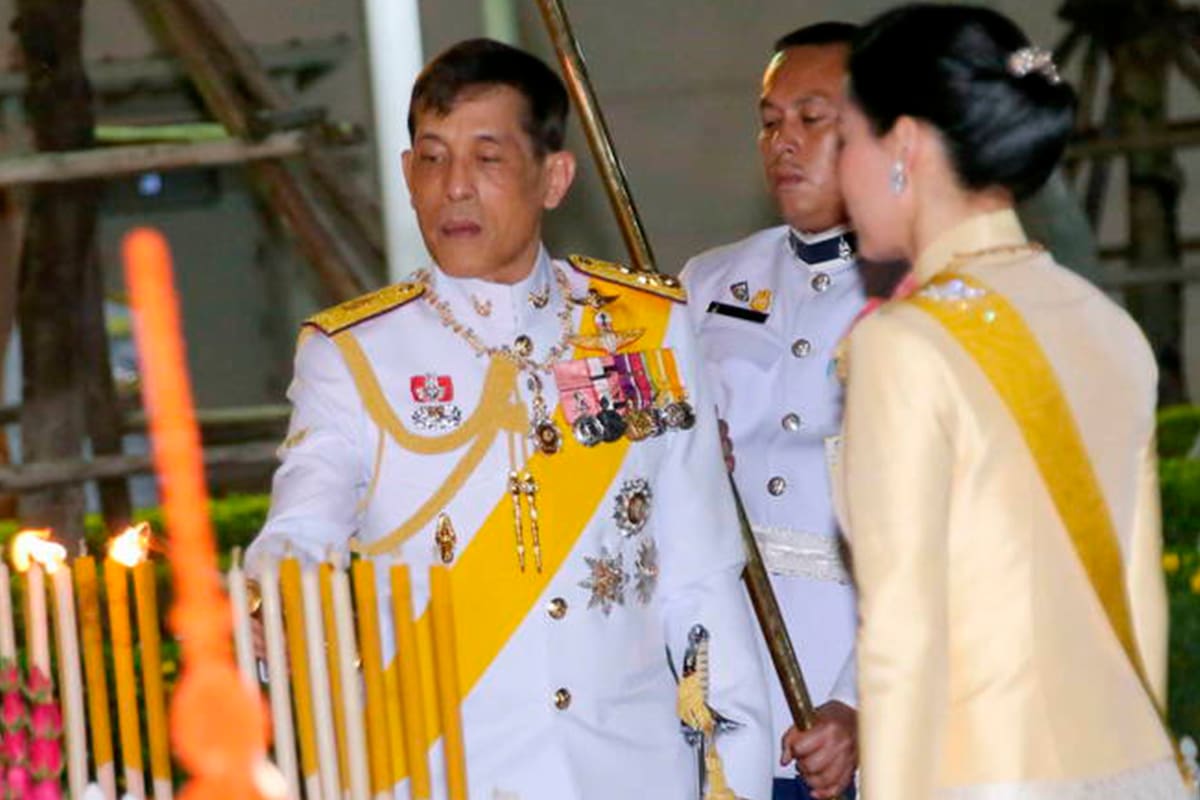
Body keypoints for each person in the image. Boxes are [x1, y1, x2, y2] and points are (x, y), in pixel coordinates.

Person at [245, 38, 772, 800]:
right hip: (440, 774)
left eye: (486, 158)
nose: (454, 187)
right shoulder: (353, 353)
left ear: (554, 177)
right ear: (407, 173)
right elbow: (303, 519)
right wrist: (283, 593)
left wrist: (739, 774)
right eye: (432, 159)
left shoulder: (646, 328)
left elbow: (702, 578)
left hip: (630, 775)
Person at [835, 5, 1193, 799]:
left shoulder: (905, 344)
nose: (839, 170)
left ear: (903, 145)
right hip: (1133, 775)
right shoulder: (1107, 324)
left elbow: (903, 638)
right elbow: (1140, 608)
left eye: (846, 137)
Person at [681, 23, 862, 800]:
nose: (782, 141)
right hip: (724, 695)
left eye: (810, 119)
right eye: (769, 122)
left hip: (862, 698)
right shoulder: (706, 282)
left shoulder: (929, 295)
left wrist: (862, 702)